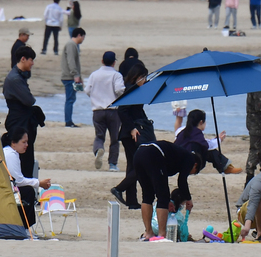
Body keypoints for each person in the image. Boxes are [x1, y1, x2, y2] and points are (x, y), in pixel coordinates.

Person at [117, 139, 203, 242]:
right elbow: (182, 181)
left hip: (139, 154)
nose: (190, 173)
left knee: (148, 195)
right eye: (193, 172)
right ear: (196, 165)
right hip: (153, 154)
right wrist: (188, 199)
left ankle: (148, 233)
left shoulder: (180, 155)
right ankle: (162, 235)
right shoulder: (190, 159)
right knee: (163, 197)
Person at [115, 61, 153, 205]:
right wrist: (131, 128)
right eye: (143, 77)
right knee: (140, 165)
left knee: (132, 165)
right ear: (136, 77)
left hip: (130, 133)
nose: (145, 80)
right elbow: (122, 110)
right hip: (130, 134)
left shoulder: (136, 89)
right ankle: (119, 188)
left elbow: (136, 110)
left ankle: (131, 200)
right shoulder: (131, 90)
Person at [4, 46, 40, 189]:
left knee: (25, 155)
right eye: (31, 60)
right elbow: (29, 100)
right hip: (19, 121)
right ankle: (24, 190)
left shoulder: (18, 76)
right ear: (23, 59)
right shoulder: (15, 78)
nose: (32, 63)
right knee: (23, 156)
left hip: (20, 118)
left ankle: (25, 186)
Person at [2, 129, 50, 234]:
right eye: (23, 142)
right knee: (28, 192)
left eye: (27, 142)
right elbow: (18, 181)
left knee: (27, 191)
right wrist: (39, 183)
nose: (26, 145)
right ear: (13, 143)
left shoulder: (10, 152)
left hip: (6, 187)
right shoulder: (10, 154)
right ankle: (24, 227)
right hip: (5, 189)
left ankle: (26, 227)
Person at [86, 50, 126, 172]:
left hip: (97, 110)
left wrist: (95, 97)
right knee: (114, 138)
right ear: (114, 63)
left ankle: (98, 149)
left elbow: (87, 90)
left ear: (102, 61)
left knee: (99, 136)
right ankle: (112, 164)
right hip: (113, 110)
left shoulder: (94, 75)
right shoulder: (116, 75)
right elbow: (119, 90)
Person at [174, 109, 241, 174]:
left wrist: (216, 139)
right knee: (212, 151)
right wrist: (219, 140)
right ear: (201, 122)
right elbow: (208, 146)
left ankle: (226, 167)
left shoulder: (183, 131)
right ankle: (226, 167)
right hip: (191, 165)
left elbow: (202, 142)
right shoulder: (197, 133)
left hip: (177, 162)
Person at [60, 28, 86, 128]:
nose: (83, 39)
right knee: (70, 99)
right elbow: (71, 61)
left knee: (71, 99)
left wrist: (79, 76)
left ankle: (69, 121)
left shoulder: (73, 45)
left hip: (70, 76)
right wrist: (75, 75)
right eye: (83, 37)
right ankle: (68, 122)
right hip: (69, 77)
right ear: (79, 35)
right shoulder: (71, 45)